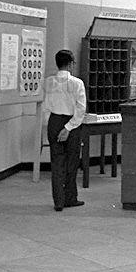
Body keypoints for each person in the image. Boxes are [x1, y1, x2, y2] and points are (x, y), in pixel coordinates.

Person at [44, 49, 86, 211]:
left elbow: (46, 106)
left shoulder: (48, 82)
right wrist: (68, 128)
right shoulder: (77, 83)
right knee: (72, 162)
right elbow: (80, 109)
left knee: (57, 162)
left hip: (54, 121)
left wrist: (55, 126)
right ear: (70, 63)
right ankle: (70, 197)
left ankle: (58, 201)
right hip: (72, 123)